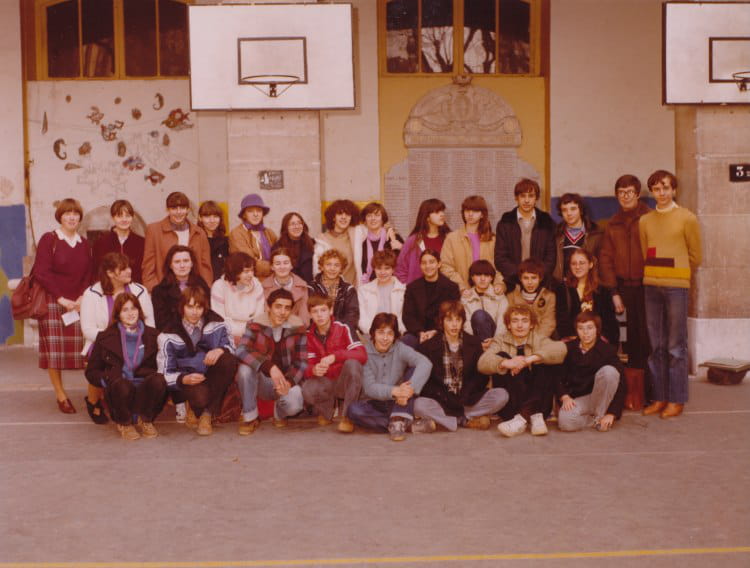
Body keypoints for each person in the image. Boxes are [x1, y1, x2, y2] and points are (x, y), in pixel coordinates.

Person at [639, 170, 701, 419]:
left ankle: (676, 399)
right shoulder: (645, 221)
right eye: (656, 188)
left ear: (674, 189)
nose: (661, 192)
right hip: (651, 286)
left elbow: (696, 255)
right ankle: (660, 397)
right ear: (652, 192)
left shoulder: (687, 218)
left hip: (676, 287)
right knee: (656, 346)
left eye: (666, 187)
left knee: (676, 346)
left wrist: (678, 274)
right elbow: (646, 251)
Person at [33, 198, 93, 414]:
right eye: (67, 213)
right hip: (53, 302)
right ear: (60, 216)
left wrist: (82, 297)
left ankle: (94, 395)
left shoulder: (84, 243)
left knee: (87, 350)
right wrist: (60, 298)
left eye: (75, 214)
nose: (72, 217)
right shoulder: (49, 239)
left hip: (78, 304)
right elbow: (41, 272)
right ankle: (61, 396)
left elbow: (89, 273)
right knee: (55, 353)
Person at [80, 252, 155, 423]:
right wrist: (113, 341)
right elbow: (87, 329)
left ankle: (130, 400)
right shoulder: (91, 294)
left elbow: (150, 323)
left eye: (129, 267)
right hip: (103, 342)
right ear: (110, 273)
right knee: (101, 360)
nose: (129, 271)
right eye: (123, 269)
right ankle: (93, 401)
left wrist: (134, 338)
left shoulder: (140, 291)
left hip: (135, 339)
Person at [415, 301, 509, 432]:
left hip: (467, 400)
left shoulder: (474, 343)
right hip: (442, 401)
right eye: (449, 320)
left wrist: (467, 392)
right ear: (441, 322)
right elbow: (426, 382)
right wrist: (444, 396)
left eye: (458, 320)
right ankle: (464, 420)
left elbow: (481, 376)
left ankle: (449, 420)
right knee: (417, 404)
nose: (454, 324)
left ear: (462, 321)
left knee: (502, 395)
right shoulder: (428, 346)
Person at [599, 174, 652, 405]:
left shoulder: (650, 218)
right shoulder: (613, 224)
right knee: (629, 340)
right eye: (621, 192)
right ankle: (634, 393)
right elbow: (606, 259)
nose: (625, 196)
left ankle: (652, 392)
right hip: (623, 288)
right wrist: (614, 292)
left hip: (648, 286)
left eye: (630, 192)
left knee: (648, 338)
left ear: (638, 194)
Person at [157, 286, 237, 436]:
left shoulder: (217, 323)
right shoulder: (168, 333)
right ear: (182, 307)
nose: (194, 312)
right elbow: (164, 372)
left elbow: (232, 348)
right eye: (190, 307)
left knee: (229, 360)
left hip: (211, 374)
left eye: (199, 307)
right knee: (200, 398)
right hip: (188, 379)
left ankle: (207, 414)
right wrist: (183, 379)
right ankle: (195, 407)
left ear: (205, 308)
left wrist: (221, 350)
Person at [85, 293, 167, 440]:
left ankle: (146, 420)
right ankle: (124, 423)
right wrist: (107, 379)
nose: (130, 313)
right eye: (125, 310)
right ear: (118, 314)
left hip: (144, 387)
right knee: (121, 384)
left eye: (133, 308)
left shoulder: (154, 335)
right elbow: (91, 371)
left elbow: (163, 364)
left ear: (139, 310)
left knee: (159, 380)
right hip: (119, 389)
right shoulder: (105, 337)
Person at [478, 305, 566, 437]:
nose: (520, 325)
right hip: (511, 406)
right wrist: (507, 363)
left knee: (544, 360)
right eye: (515, 321)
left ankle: (523, 418)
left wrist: (529, 360)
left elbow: (561, 349)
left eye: (524, 321)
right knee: (502, 355)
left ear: (531, 325)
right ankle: (531, 416)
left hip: (540, 404)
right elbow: (482, 363)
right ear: (508, 325)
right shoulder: (500, 340)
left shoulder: (538, 338)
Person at [347, 313, 432, 441]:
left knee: (415, 369)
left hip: (399, 402)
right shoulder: (365, 353)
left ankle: (398, 420)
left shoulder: (399, 348)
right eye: (381, 333)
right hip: (374, 403)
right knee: (353, 410)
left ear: (395, 336)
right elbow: (370, 388)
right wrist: (395, 391)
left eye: (390, 334)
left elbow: (425, 363)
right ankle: (403, 424)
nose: (385, 338)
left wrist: (410, 390)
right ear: (373, 333)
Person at [235, 289, 308, 434]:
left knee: (295, 405)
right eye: (278, 307)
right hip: (262, 381)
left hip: (284, 380)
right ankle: (250, 417)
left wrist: (289, 382)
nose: (282, 312)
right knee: (244, 370)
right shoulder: (255, 324)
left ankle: (279, 414)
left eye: (287, 308)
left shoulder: (298, 327)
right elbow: (241, 350)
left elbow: (302, 362)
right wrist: (269, 367)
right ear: (269, 307)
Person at [303, 294, 367, 432]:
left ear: (331, 310)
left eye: (323, 310)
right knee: (308, 388)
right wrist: (313, 369)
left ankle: (348, 416)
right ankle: (326, 411)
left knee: (353, 364)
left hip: (344, 380)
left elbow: (362, 355)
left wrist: (335, 356)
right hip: (327, 380)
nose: (319, 315)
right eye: (315, 311)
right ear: (309, 314)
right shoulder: (308, 333)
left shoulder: (343, 327)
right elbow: (307, 365)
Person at [557, 312, 625, 432]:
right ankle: (595, 421)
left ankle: (600, 415)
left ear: (597, 329)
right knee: (565, 422)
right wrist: (564, 396)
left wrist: (612, 413)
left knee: (610, 372)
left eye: (589, 328)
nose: (585, 332)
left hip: (600, 396)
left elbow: (621, 383)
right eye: (581, 328)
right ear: (576, 330)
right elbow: (557, 375)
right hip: (578, 398)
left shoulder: (607, 350)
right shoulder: (568, 348)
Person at [142, 191, 212, 290]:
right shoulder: (154, 230)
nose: (179, 212)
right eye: (174, 208)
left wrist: (203, 290)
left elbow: (205, 267)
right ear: (167, 210)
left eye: (182, 208)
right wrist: (155, 291)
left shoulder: (199, 233)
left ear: (188, 209)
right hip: (164, 290)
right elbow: (148, 266)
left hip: (193, 291)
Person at [495, 178, 556, 289]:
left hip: (540, 283)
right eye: (523, 196)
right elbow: (500, 258)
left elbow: (551, 257)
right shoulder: (505, 222)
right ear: (516, 198)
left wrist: (536, 277)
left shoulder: (546, 222)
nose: (527, 200)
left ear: (536, 198)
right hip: (512, 283)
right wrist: (520, 276)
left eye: (531, 196)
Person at [555, 248, 619, 346]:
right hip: (572, 340)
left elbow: (609, 322)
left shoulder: (603, 290)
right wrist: (576, 339)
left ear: (590, 264)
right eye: (574, 263)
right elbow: (561, 320)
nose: (577, 267)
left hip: (598, 341)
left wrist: (598, 339)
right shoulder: (562, 289)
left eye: (582, 263)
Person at [441, 195, 504, 294]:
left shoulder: (492, 239)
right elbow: (446, 266)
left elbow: (499, 266)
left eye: (475, 211)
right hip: (462, 293)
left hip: (489, 293)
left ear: (482, 214)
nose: (470, 214)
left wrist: (499, 284)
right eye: (467, 210)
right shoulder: (451, 238)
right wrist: (461, 286)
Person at [402, 249, 460, 347]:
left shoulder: (451, 288)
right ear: (420, 266)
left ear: (439, 264)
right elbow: (407, 316)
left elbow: (453, 315)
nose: (428, 266)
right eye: (424, 263)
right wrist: (420, 332)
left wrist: (436, 331)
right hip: (418, 333)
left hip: (442, 331)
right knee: (406, 341)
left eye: (431, 262)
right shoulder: (412, 287)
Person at [151, 245, 211, 331]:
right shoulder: (159, 291)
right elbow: (161, 324)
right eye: (177, 262)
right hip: (173, 334)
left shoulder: (202, 286)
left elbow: (208, 315)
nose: (182, 265)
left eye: (186, 261)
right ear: (170, 265)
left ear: (192, 263)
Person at [210, 252, 265, 340]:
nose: (250, 275)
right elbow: (219, 320)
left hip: (252, 332)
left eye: (252, 270)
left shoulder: (257, 285)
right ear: (234, 272)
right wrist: (242, 332)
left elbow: (259, 316)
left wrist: (249, 332)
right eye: (246, 271)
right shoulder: (219, 286)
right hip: (227, 334)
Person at [395, 198, 450, 285]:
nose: (442, 214)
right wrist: (409, 288)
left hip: (443, 290)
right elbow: (400, 269)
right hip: (417, 290)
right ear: (427, 217)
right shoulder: (413, 240)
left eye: (442, 211)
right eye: (437, 212)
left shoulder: (449, 239)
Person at [552, 193, 604, 283]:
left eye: (573, 209)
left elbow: (602, 265)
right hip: (562, 285)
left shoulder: (596, 234)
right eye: (564, 210)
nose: (569, 213)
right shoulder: (556, 234)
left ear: (581, 210)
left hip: (588, 285)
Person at [92, 199, 145, 284]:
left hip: (134, 288)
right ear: (113, 217)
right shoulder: (101, 243)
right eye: (119, 216)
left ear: (132, 217)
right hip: (108, 288)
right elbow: (96, 271)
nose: (124, 220)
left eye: (127, 216)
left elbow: (143, 270)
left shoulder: (141, 243)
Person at [307, 249, 359, 335]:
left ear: (341, 268)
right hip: (317, 332)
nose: (332, 268)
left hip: (341, 332)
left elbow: (352, 316)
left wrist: (339, 331)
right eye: (328, 264)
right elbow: (309, 315)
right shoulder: (312, 288)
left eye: (337, 265)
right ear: (321, 267)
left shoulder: (348, 289)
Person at [228, 193, 278, 279]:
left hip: (272, 279)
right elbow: (249, 262)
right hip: (249, 280)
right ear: (244, 214)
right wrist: (276, 267)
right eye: (250, 211)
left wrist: (279, 265)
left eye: (259, 210)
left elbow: (280, 254)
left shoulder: (268, 232)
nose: (255, 214)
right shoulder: (237, 233)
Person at [353, 201, 404, 286]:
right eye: (369, 215)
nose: (373, 218)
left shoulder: (393, 238)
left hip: (392, 286)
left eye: (377, 215)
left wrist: (402, 247)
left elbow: (408, 260)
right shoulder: (361, 241)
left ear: (383, 219)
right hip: (368, 286)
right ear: (365, 220)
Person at [505, 257, 556, 338]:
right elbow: (509, 321)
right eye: (526, 278)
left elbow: (548, 323)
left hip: (540, 339)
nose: (530, 282)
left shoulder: (549, 297)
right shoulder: (512, 296)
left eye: (534, 278)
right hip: (517, 338)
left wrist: (534, 340)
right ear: (520, 279)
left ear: (540, 278)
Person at [461, 260, 509, 346]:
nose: (482, 279)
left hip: (496, 339)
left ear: (491, 278)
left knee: (480, 315)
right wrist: (477, 343)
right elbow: (466, 325)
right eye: (478, 275)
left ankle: (489, 349)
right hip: (475, 340)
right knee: (479, 315)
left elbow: (502, 322)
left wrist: (495, 341)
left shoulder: (499, 296)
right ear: (472, 277)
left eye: (486, 275)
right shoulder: (466, 298)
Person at [313, 199, 360, 284]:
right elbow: (317, 269)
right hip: (329, 289)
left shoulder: (356, 235)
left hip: (352, 288)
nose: (344, 217)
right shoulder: (322, 240)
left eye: (347, 214)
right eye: (340, 214)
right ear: (333, 217)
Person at [261, 248, 310, 326]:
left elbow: (304, 317)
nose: (282, 267)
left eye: (286, 263)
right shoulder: (263, 287)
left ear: (291, 265)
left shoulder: (302, 286)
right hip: (270, 328)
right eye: (277, 264)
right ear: (272, 267)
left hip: (294, 328)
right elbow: (265, 315)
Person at [272, 212, 314, 284]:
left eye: (299, 223)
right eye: (292, 224)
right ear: (286, 227)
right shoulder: (278, 247)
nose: (296, 226)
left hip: (309, 285)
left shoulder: (313, 244)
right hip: (287, 286)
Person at [197, 200, 229, 283]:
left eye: (215, 216)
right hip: (202, 284)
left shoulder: (226, 241)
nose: (212, 220)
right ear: (200, 218)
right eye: (207, 216)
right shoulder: (196, 240)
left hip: (222, 285)